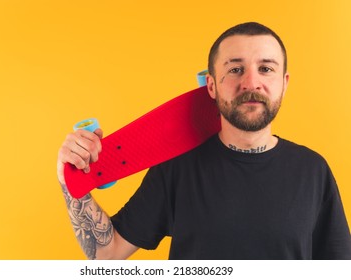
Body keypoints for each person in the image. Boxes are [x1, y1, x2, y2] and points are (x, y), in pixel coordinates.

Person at [57, 22, 351, 260]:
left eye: (266, 68)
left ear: (284, 83)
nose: (251, 82)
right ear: (211, 85)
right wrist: (70, 178)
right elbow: (106, 254)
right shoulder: (177, 167)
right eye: (235, 69)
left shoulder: (313, 170)